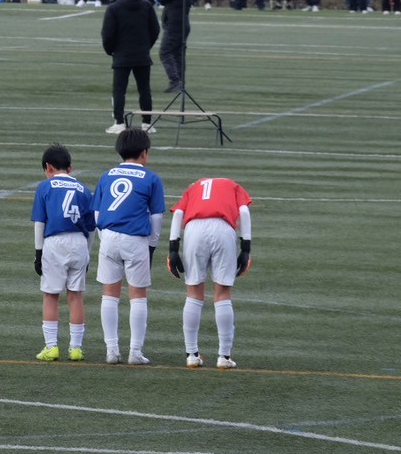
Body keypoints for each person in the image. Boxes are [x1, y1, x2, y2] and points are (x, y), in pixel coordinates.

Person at [95, 128, 165, 366]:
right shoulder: (151, 178)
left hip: (109, 237)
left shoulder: (106, 176)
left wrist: (104, 236)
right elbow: (156, 217)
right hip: (136, 239)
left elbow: (97, 214)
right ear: (144, 153)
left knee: (109, 293)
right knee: (138, 296)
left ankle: (111, 350)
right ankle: (135, 351)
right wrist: (152, 245)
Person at [168, 175, 253, 370]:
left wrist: (173, 248)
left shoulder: (194, 187)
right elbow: (244, 212)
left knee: (193, 292)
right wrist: (246, 248)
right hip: (223, 228)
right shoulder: (233, 185)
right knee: (222, 293)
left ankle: (191, 355)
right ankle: (224, 356)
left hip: (194, 230)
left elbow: (178, 213)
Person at [31, 144, 96, 362]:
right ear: (70, 168)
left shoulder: (45, 186)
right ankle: (76, 348)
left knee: (51, 295)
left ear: (48, 167)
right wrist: (88, 253)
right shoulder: (84, 189)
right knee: (76, 295)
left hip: (55, 242)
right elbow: (91, 227)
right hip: (79, 242)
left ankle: (51, 347)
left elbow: (40, 222)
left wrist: (38, 253)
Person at [101, 0, 160, 134]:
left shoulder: (114, 8)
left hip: (121, 54)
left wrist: (111, 50)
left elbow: (107, 34)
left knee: (119, 89)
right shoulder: (146, 5)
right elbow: (155, 30)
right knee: (144, 89)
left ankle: (119, 122)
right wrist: (146, 46)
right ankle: (147, 123)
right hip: (141, 54)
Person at [155, 0, 192, 93]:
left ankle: (175, 80)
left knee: (165, 52)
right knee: (177, 53)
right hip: (182, 24)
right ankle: (180, 81)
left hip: (175, 25)